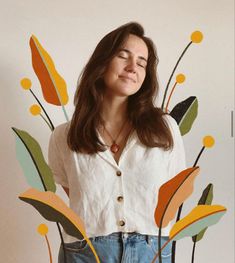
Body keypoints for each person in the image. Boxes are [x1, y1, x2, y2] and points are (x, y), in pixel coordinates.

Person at [48, 22, 186, 263]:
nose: (133, 67)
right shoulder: (64, 137)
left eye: (142, 63)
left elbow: (175, 191)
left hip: (151, 250)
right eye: (123, 56)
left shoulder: (165, 130)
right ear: (101, 64)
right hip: (85, 253)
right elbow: (79, 197)